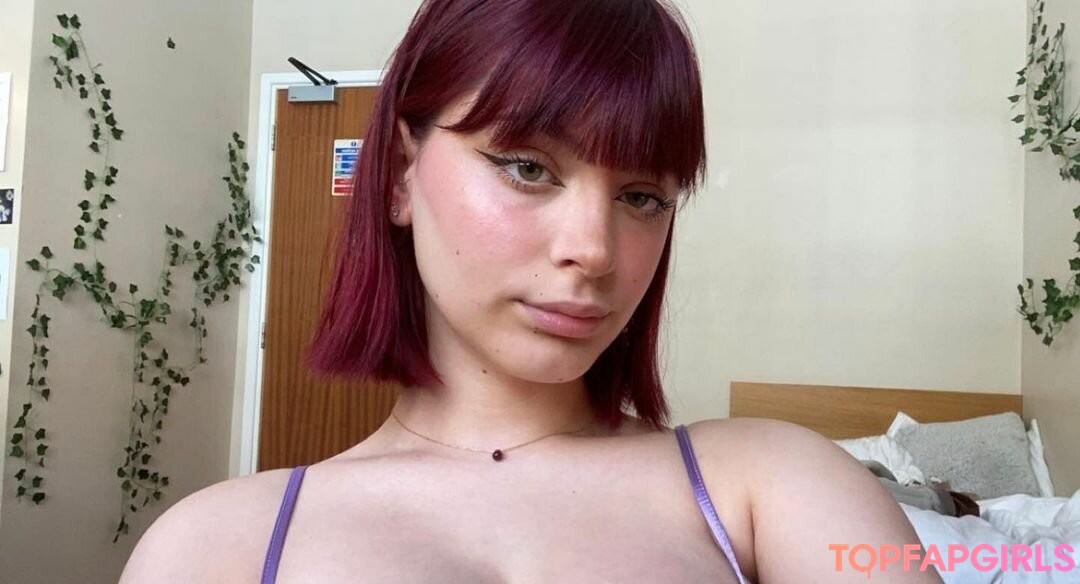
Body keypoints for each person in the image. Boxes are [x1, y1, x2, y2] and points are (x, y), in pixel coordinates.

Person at [121, 0, 943, 582]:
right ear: (402, 174)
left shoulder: (780, 484)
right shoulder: (212, 546)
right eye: (527, 167)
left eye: (642, 197)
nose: (594, 250)